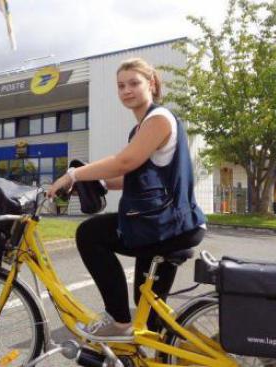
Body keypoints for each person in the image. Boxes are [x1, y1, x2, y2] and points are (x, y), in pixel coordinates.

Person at [47, 57, 206, 337]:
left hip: (169, 226)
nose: (126, 90)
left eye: (134, 83)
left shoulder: (159, 119)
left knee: (90, 233)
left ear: (152, 84)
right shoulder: (142, 127)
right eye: (121, 86)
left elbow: (124, 162)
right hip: (161, 226)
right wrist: (100, 183)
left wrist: (73, 175)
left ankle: (118, 321)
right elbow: (130, 175)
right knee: (151, 315)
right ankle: (191, 351)